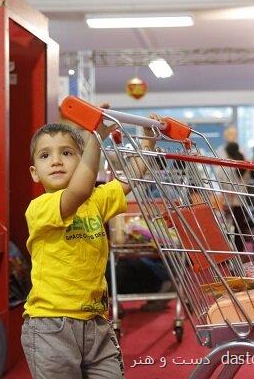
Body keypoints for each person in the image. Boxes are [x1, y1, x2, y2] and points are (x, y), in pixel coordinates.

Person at [22, 116, 158, 378]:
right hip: (51, 325)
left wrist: (148, 144)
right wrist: (95, 138)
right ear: (34, 172)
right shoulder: (40, 207)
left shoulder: (94, 201)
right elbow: (79, 190)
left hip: (96, 322)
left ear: (81, 160)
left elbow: (129, 179)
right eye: (45, 155)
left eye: (66, 152)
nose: (56, 160)